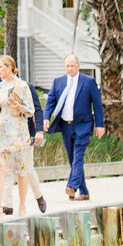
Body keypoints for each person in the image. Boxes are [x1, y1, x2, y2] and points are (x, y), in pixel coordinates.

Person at [0, 57, 46, 220]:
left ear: (10, 67)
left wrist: (17, 105)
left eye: (1, 67)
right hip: (2, 133)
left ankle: (22, 206)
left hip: (19, 133)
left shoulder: (22, 86)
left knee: (22, 171)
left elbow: (31, 111)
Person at [43, 55, 105, 201]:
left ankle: (72, 186)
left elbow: (97, 104)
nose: (70, 69)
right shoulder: (58, 82)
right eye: (67, 66)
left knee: (78, 156)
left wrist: (100, 125)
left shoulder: (88, 82)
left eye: (72, 66)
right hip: (66, 125)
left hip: (83, 124)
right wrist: (46, 118)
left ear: (78, 66)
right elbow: (51, 101)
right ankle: (84, 192)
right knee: (72, 158)